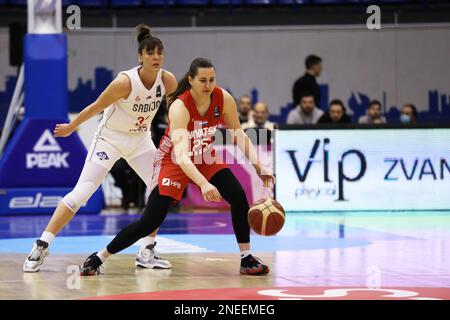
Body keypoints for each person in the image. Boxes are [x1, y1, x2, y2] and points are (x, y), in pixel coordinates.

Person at [79, 58, 275, 276]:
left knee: (238, 196)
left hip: (203, 157)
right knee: (149, 222)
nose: (208, 85)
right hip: (173, 160)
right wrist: (203, 184)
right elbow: (181, 157)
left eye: (212, 80)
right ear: (191, 80)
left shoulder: (223, 99)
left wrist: (259, 166)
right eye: (202, 80)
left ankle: (245, 258)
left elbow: (238, 134)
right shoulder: (180, 106)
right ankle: (98, 257)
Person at [23, 24, 178, 273]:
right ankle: (42, 245)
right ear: (140, 56)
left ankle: (147, 250)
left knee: (163, 188)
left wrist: (180, 137)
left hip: (140, 140)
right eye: (151, 52)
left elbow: (177, 111)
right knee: (81, 194)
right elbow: (96, 106)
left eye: (160, 52)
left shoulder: (168, 80)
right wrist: (72, 126)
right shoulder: (125, 82)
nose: (156, 57)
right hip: (109, 139)